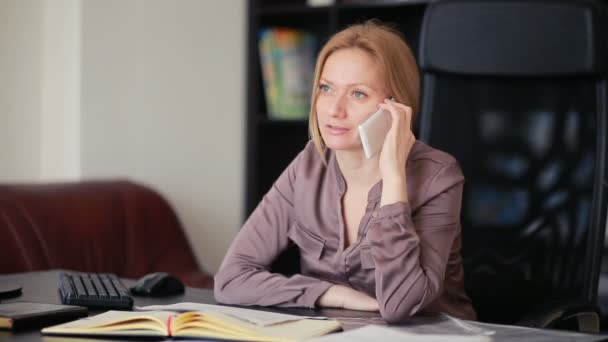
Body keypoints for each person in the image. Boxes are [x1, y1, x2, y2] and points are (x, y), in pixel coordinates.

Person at [214, 20, 477, 323]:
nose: (334, 109)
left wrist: (393, 178)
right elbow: (231, 279)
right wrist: (331, 294)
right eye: (326, 88)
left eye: (358, 94)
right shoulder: (310, 165)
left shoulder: (438, 176)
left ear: (395, 104)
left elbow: (400, 305)